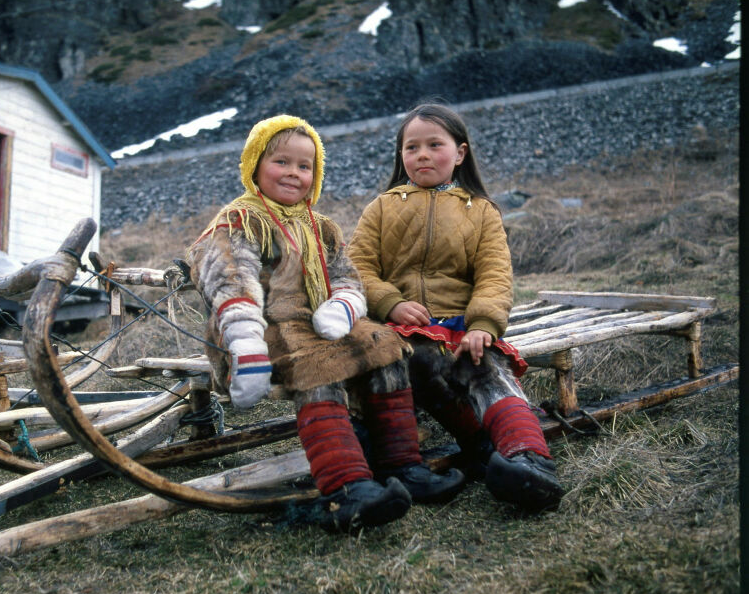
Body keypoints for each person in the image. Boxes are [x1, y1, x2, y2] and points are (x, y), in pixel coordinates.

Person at [186, 114, 464, 534]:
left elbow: (346, 273)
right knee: (319, 367)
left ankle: (403, 465)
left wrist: (345, 303)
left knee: (385, 348)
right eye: (281, 162)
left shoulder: (321, 227)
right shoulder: (240, 221)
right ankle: (346, 487)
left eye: (305, 166)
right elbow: (229, 277)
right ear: (255, 163)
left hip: (318, 321)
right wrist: (244, 338)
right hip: (262, 327)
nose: (293, 174)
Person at [347, 103, 565, 512]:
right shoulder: (381, 208)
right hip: (398, 329)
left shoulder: (480, 211)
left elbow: (494, 275)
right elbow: (356, 269)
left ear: (460, 152)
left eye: (435, 144)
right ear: (401, 156)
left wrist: (483, 323)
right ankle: (409, 468)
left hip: (461, 325)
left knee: (486, 368)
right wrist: (390, 303)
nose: (422, 154)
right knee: (402, 364)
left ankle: (529, 460)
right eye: (411, 147)